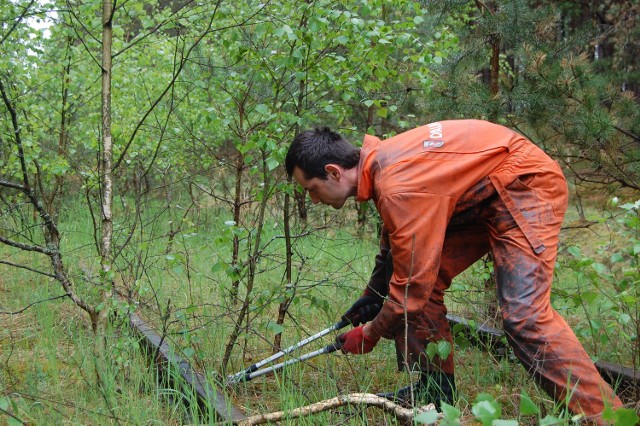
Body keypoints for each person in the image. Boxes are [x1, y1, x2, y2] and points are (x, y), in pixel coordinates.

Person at [285, 120, 623, 419]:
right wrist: (372, 296)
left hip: (524, 184)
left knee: (525, 317)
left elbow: (409, 290)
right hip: (482, 196)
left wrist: (370, 334)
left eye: (312, 190)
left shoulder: (397, 184)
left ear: (333, 171)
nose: (315, 200)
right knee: (423, 290)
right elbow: (397, 245)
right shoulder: (384, 166)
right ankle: (435, 394)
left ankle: (604, 416)